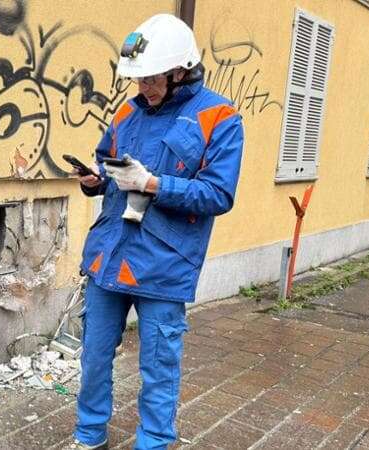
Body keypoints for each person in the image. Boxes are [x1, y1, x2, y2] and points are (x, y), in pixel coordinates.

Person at [71, 14, 244, 450]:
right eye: (138, 79)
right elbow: (106, 158)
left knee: (159, 367)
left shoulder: (220, 116)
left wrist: (154, 184)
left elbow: (218, 194)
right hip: (110, 253)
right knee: (92, 358)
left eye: (151, 79)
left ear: (180, 70)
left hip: (165, 263)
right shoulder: (129, 110)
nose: (142, 88)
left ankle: (153, 442)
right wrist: (95, 177)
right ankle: (89, 435)